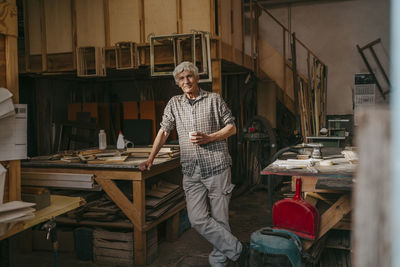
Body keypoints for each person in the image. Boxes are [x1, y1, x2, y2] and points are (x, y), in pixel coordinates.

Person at [139, 61, 249, 266]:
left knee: (220, 220)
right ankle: (239, 251)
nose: (186, 81)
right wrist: (150, 158)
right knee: (197, 218)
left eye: (189, 76)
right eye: (181, 78)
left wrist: (210, 137)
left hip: (217, 167)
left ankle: (219, 262)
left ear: (197, 78)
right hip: (191, 170)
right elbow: (164, 131)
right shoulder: (174, 104)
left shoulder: (214, 100)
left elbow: (231, 127)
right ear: (177, 83)